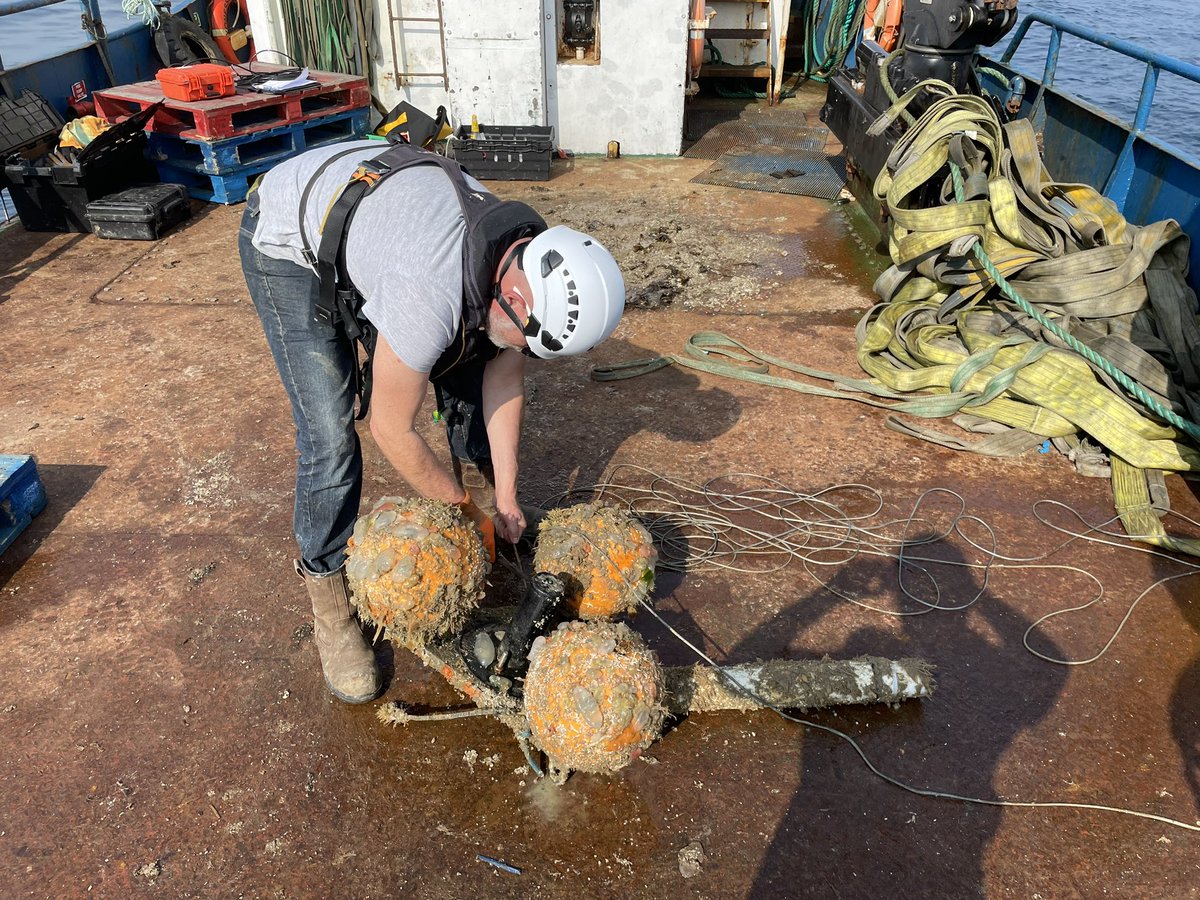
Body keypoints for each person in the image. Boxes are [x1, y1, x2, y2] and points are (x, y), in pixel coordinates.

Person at [238, 138, 626, 704]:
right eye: (530, 341)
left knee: (478, 360)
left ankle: (491, 513)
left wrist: (509, 499)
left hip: (379, 207)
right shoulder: (430, 294)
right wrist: (465, 511)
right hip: (288, 234)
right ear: (515, 294)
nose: (525, 354)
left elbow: (504, 380)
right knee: (329, 433)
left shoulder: (518, 260)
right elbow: (392, 431)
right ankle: (331, 605)